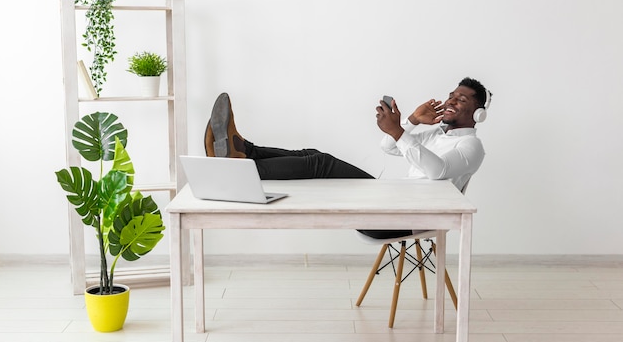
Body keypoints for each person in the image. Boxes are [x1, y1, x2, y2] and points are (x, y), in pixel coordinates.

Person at [204, 77, 491, 239]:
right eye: (452, 95)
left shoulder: (471, 147)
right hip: (395, 203)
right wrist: (413, 121)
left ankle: (241, 165)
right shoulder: (437, 134)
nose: (451, 101)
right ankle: (244, 150)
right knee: (315, 156)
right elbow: (388, 148)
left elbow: (437, 171)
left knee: (322, 164)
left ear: (478, 114)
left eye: (461, 100)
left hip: (405, 218)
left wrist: (398, 132)